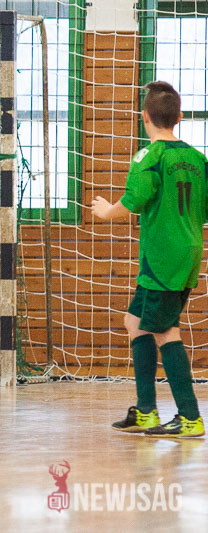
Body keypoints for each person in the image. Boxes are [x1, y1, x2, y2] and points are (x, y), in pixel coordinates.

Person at [92, 81, 205, 438]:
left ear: (144, 117)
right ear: (179, 117)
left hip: (162, 257)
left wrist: (106, 211)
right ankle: (145, 411)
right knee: (135, 322)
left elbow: (133, 201)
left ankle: (190, 417)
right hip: (186, 251)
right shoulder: (198, 159)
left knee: (164, 330)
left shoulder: (149, 157)